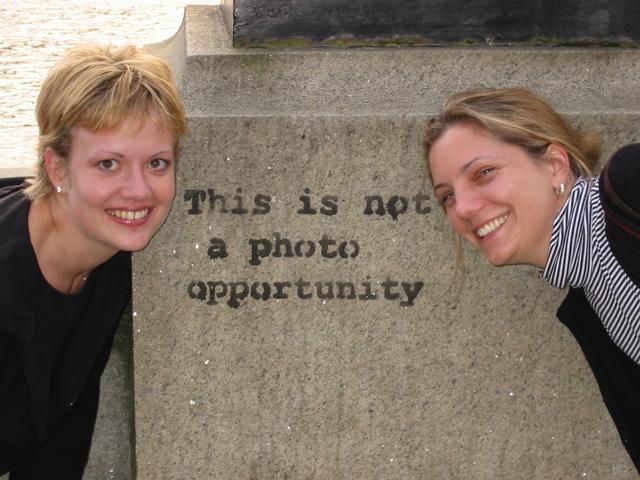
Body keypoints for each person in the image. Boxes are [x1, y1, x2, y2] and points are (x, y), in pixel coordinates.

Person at [424, 87, 639, 473]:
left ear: (555, 165)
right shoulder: (590, 305)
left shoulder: (631, 185)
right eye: (447, 197)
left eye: (483, 173)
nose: (464, 208)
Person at [0, 44, 186, 478]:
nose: (139, 191)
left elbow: (58, 446)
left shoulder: (107, 260)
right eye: (108, 164)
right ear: (57, 169)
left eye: (157, 163)